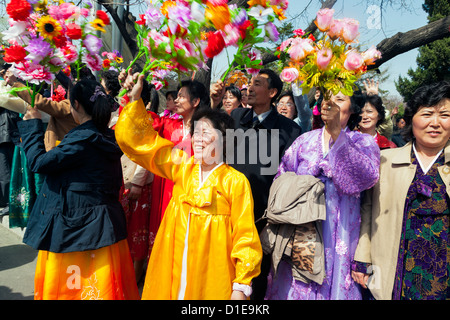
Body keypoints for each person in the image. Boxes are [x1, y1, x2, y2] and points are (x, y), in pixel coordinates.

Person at [115, 72, 263, 300]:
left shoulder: (235, 181)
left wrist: (240, 285)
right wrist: (134, 99)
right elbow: (143, 144)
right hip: (172, 268)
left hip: (212, 274)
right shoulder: (182, 167)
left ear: (223, 140)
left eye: (206, 133)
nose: (198, 139)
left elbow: (245, 236)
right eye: (196, 133)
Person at [17, 79, 139, 300]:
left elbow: (38, 163)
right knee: (101, 288)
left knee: (72, 291)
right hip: (104, 228)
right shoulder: (109, 136)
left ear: (77, 105)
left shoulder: (82, 141)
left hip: (74, 230)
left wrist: (33, 125)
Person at [264, 89, 380, 300]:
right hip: (302, 230)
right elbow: (281, 177)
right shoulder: (304, 140)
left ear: (353, 108)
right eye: (328, 96)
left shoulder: (363, 143)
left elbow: (362, 180)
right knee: (298, 282)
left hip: (341, 233)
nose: (331, 103)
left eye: (340, 99)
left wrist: (337, 132)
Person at [352, 81, 450, 300]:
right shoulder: (385, 160)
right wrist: (362, 258)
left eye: (444, 115)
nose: (435, 123)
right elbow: (368, 211)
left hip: (444, 273)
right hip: (396, 269)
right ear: (411, 119)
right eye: (426, 114)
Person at [211, 69, 302, 300]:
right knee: (221, 265)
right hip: (227, 208)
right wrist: (213, 102)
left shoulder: (290, 130)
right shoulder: (237, 117)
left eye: (258, 84)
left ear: (272, 92)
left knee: (255, 275)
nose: (249, 88)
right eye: (250, 83)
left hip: (262, 216)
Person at [0, 64, 21, 215]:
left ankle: (8, 201)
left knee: (6, 169)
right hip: (6, 131)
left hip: (7, 132)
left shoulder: (12, 87)